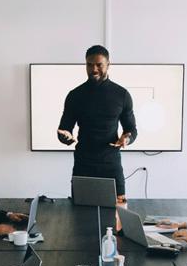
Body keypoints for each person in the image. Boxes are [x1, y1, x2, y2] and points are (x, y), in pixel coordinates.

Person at [57, 45, 137, 202]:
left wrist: (126, 139)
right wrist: (65, 137)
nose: (94, 69)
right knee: (81, 215)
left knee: (118, 213)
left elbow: (131, 129)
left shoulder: (122, 95)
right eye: (89, 64)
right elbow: (64, 130)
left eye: (99, 65)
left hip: (111, 164)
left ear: (108, 65)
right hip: (83, 164)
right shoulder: (75, 95)